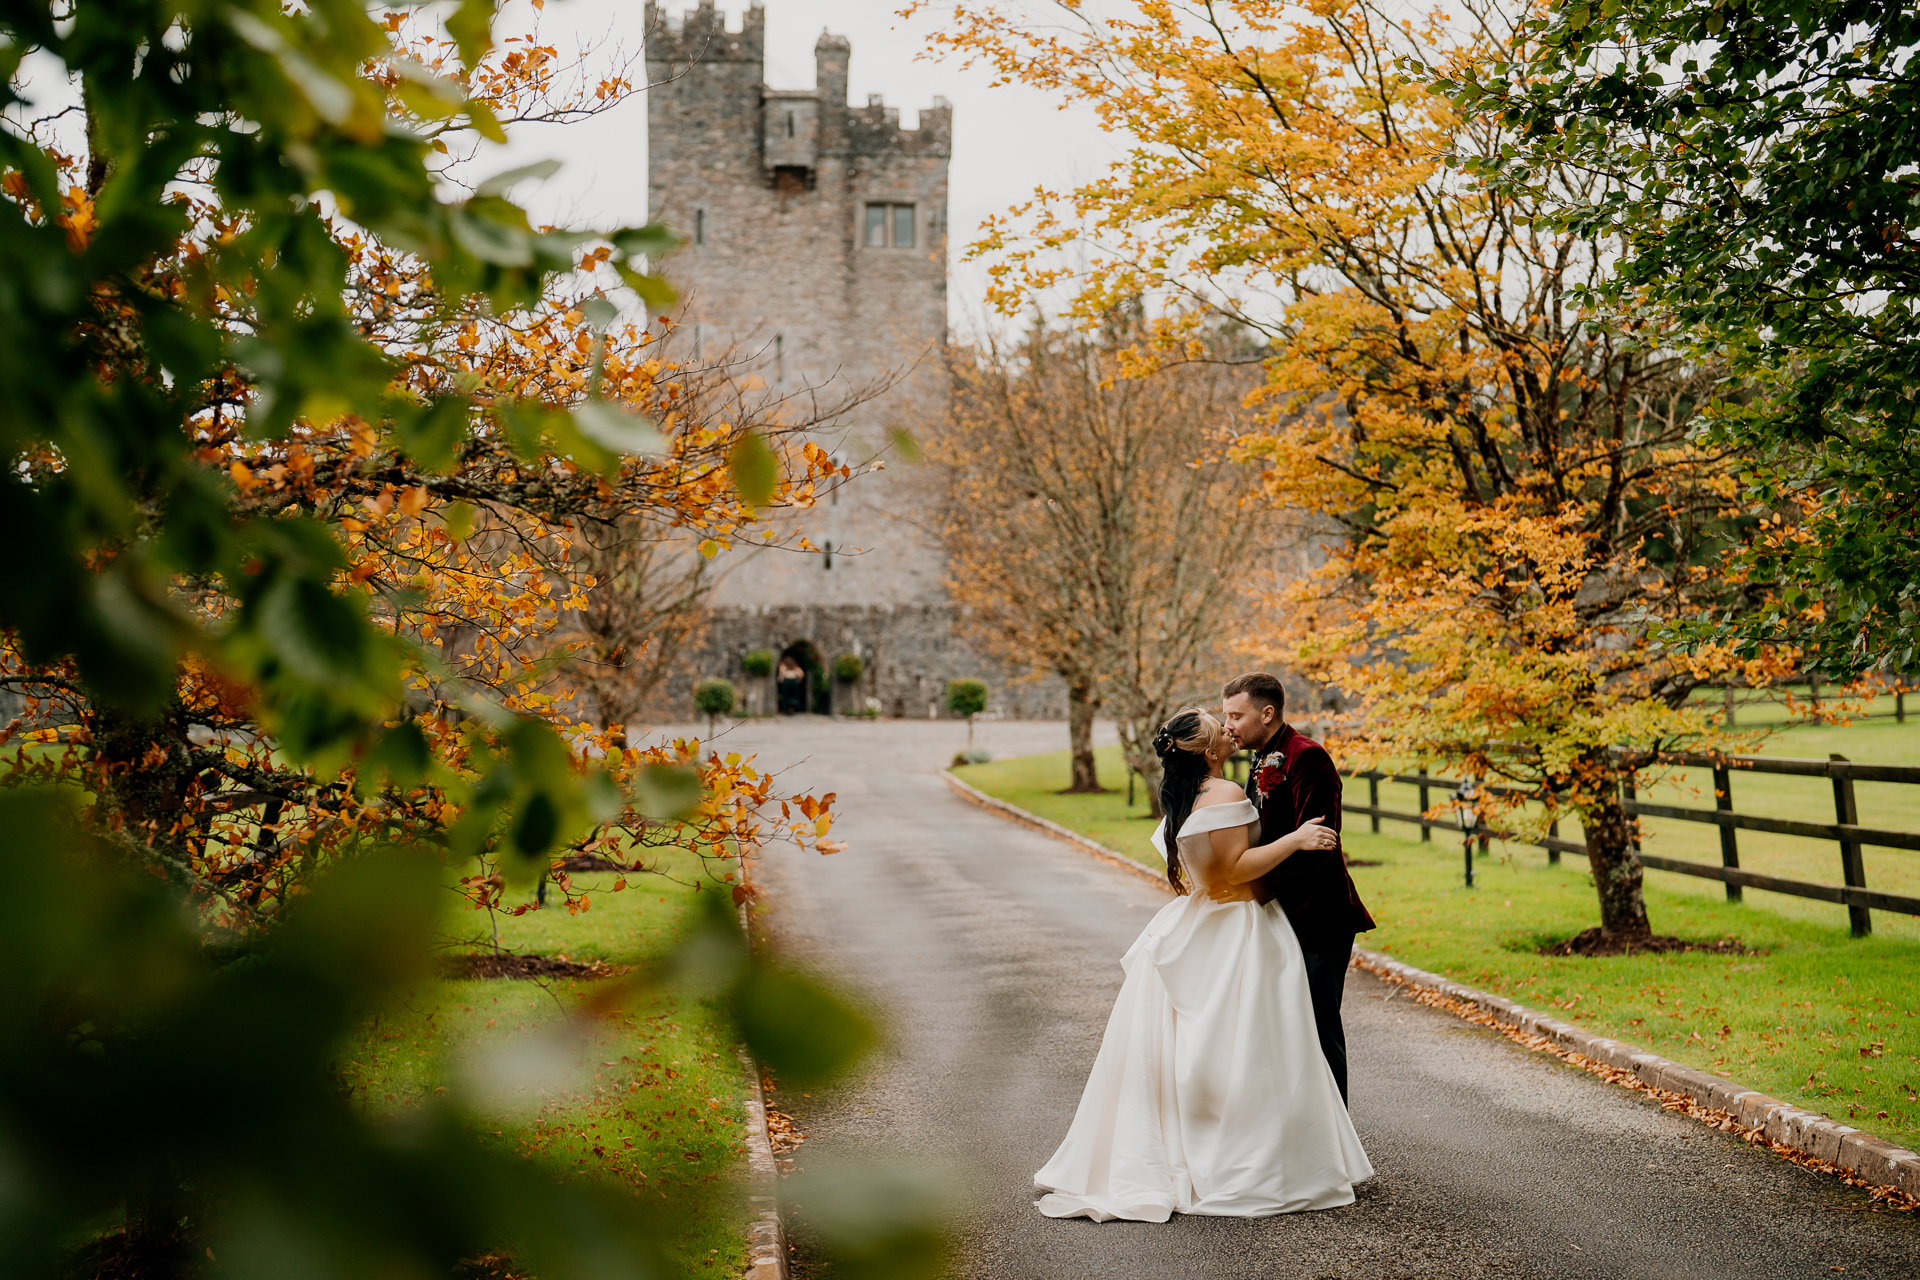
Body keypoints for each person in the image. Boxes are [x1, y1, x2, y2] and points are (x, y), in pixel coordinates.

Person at [1033, 708, 1372, 1222]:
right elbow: (1230, 873)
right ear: (1209, 751)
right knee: (1254, 1043)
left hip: (1197, 922)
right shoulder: (1227, 794)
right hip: (1237, 926)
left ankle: (1197, 1147)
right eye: (1219, 726)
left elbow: (1204, 877)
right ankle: (1253, 1157)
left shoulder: (1181, 800)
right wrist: (1295, 838)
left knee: (1198, 1048)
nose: (1227, 728)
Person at [1215, 671, 1376, 1103]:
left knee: (1317, 1027)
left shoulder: (1307, 757)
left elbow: (1316, 847)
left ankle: (1335, 1139)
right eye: (1225, 714)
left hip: (1319, 917)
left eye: (1236, 714)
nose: (1227, 724)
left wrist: (1252, 888)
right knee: (1283, 1027)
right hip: (1279, 916)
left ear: (1267, 713)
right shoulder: (1264, 756)